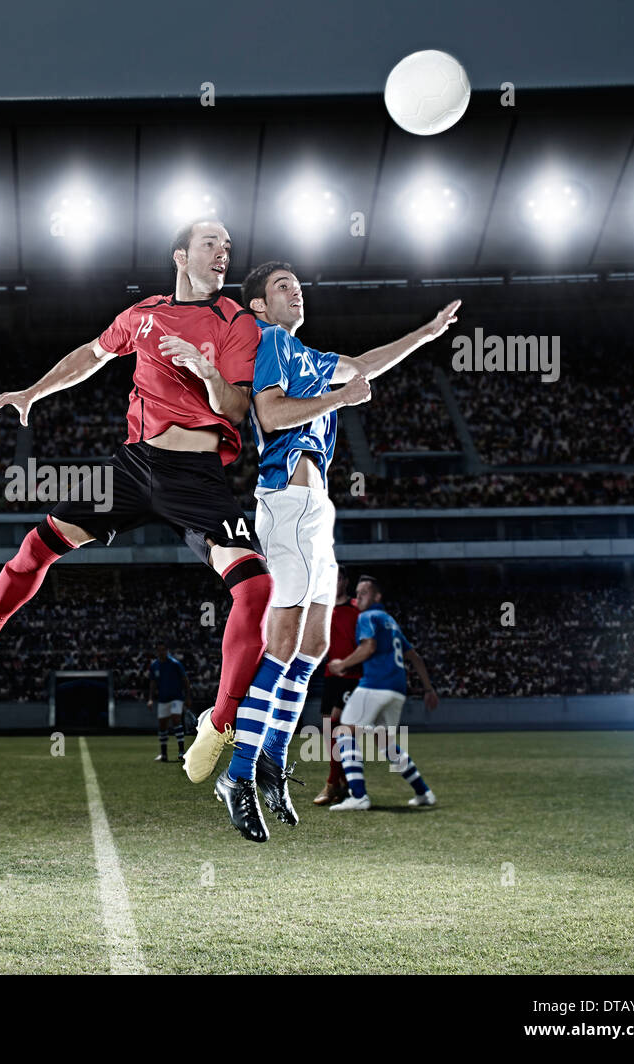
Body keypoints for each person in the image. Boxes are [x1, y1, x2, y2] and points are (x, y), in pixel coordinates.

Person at [0, 219, 272, 749]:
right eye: (211, 243)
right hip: (133, 466)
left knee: (256, 586)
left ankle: (219, 722)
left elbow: (237, 407)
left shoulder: (237, 321)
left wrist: (204, 369)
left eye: (228, 246)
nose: (224, 253)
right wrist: (34, 393)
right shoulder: (143, 315)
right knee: (36, 545)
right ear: (180, 256)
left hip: (196, 476)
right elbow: (93, 354)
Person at [194, 258, 458, 843]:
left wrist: (425, 334)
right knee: (284, 642)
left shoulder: (309, 356)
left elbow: (363, 367)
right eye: (283, 286)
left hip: (318, 512)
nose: (297, 292)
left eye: (299, 285)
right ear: (259, 304)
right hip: (285, 505)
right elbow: (269, 413)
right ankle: (237, 775)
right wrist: (341, 400)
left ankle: (270, 763)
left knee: (312, 646)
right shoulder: (266, 341)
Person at [326, 575, 439, 811]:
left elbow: (369, 647)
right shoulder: (390, 622)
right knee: (385, 743)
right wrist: (428, 688)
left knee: (344, 731)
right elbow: (415, 658)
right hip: (397, 691)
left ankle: (358, 796)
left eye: (364, 592)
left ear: (377, 596)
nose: (359, 596)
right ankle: (423, 792)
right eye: (357, 593)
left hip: (375, 685)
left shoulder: (367, 617)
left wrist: (342, 665)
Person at [314, 570, 360, 806]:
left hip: (352, 676)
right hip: (331, 676)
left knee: (336, 725)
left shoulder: (357, 608)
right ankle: (344, 783)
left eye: (340, 578)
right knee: (327, 729)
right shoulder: (325, 609)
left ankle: (332, 783)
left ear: (346, 581)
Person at [148, 643, 191, 762]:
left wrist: (187, 697)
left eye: (163, 650)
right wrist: (150, 698)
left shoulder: (175, 664)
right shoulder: (154, 665)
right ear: (157, 651)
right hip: (162, 699)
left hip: (176, 697)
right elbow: (153, 683)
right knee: (162, 725)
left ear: (167, 650)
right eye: (159, 650)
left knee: (176, 719)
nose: (161, 652)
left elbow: (185, 680)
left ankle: (181, 751)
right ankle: (163, 753)